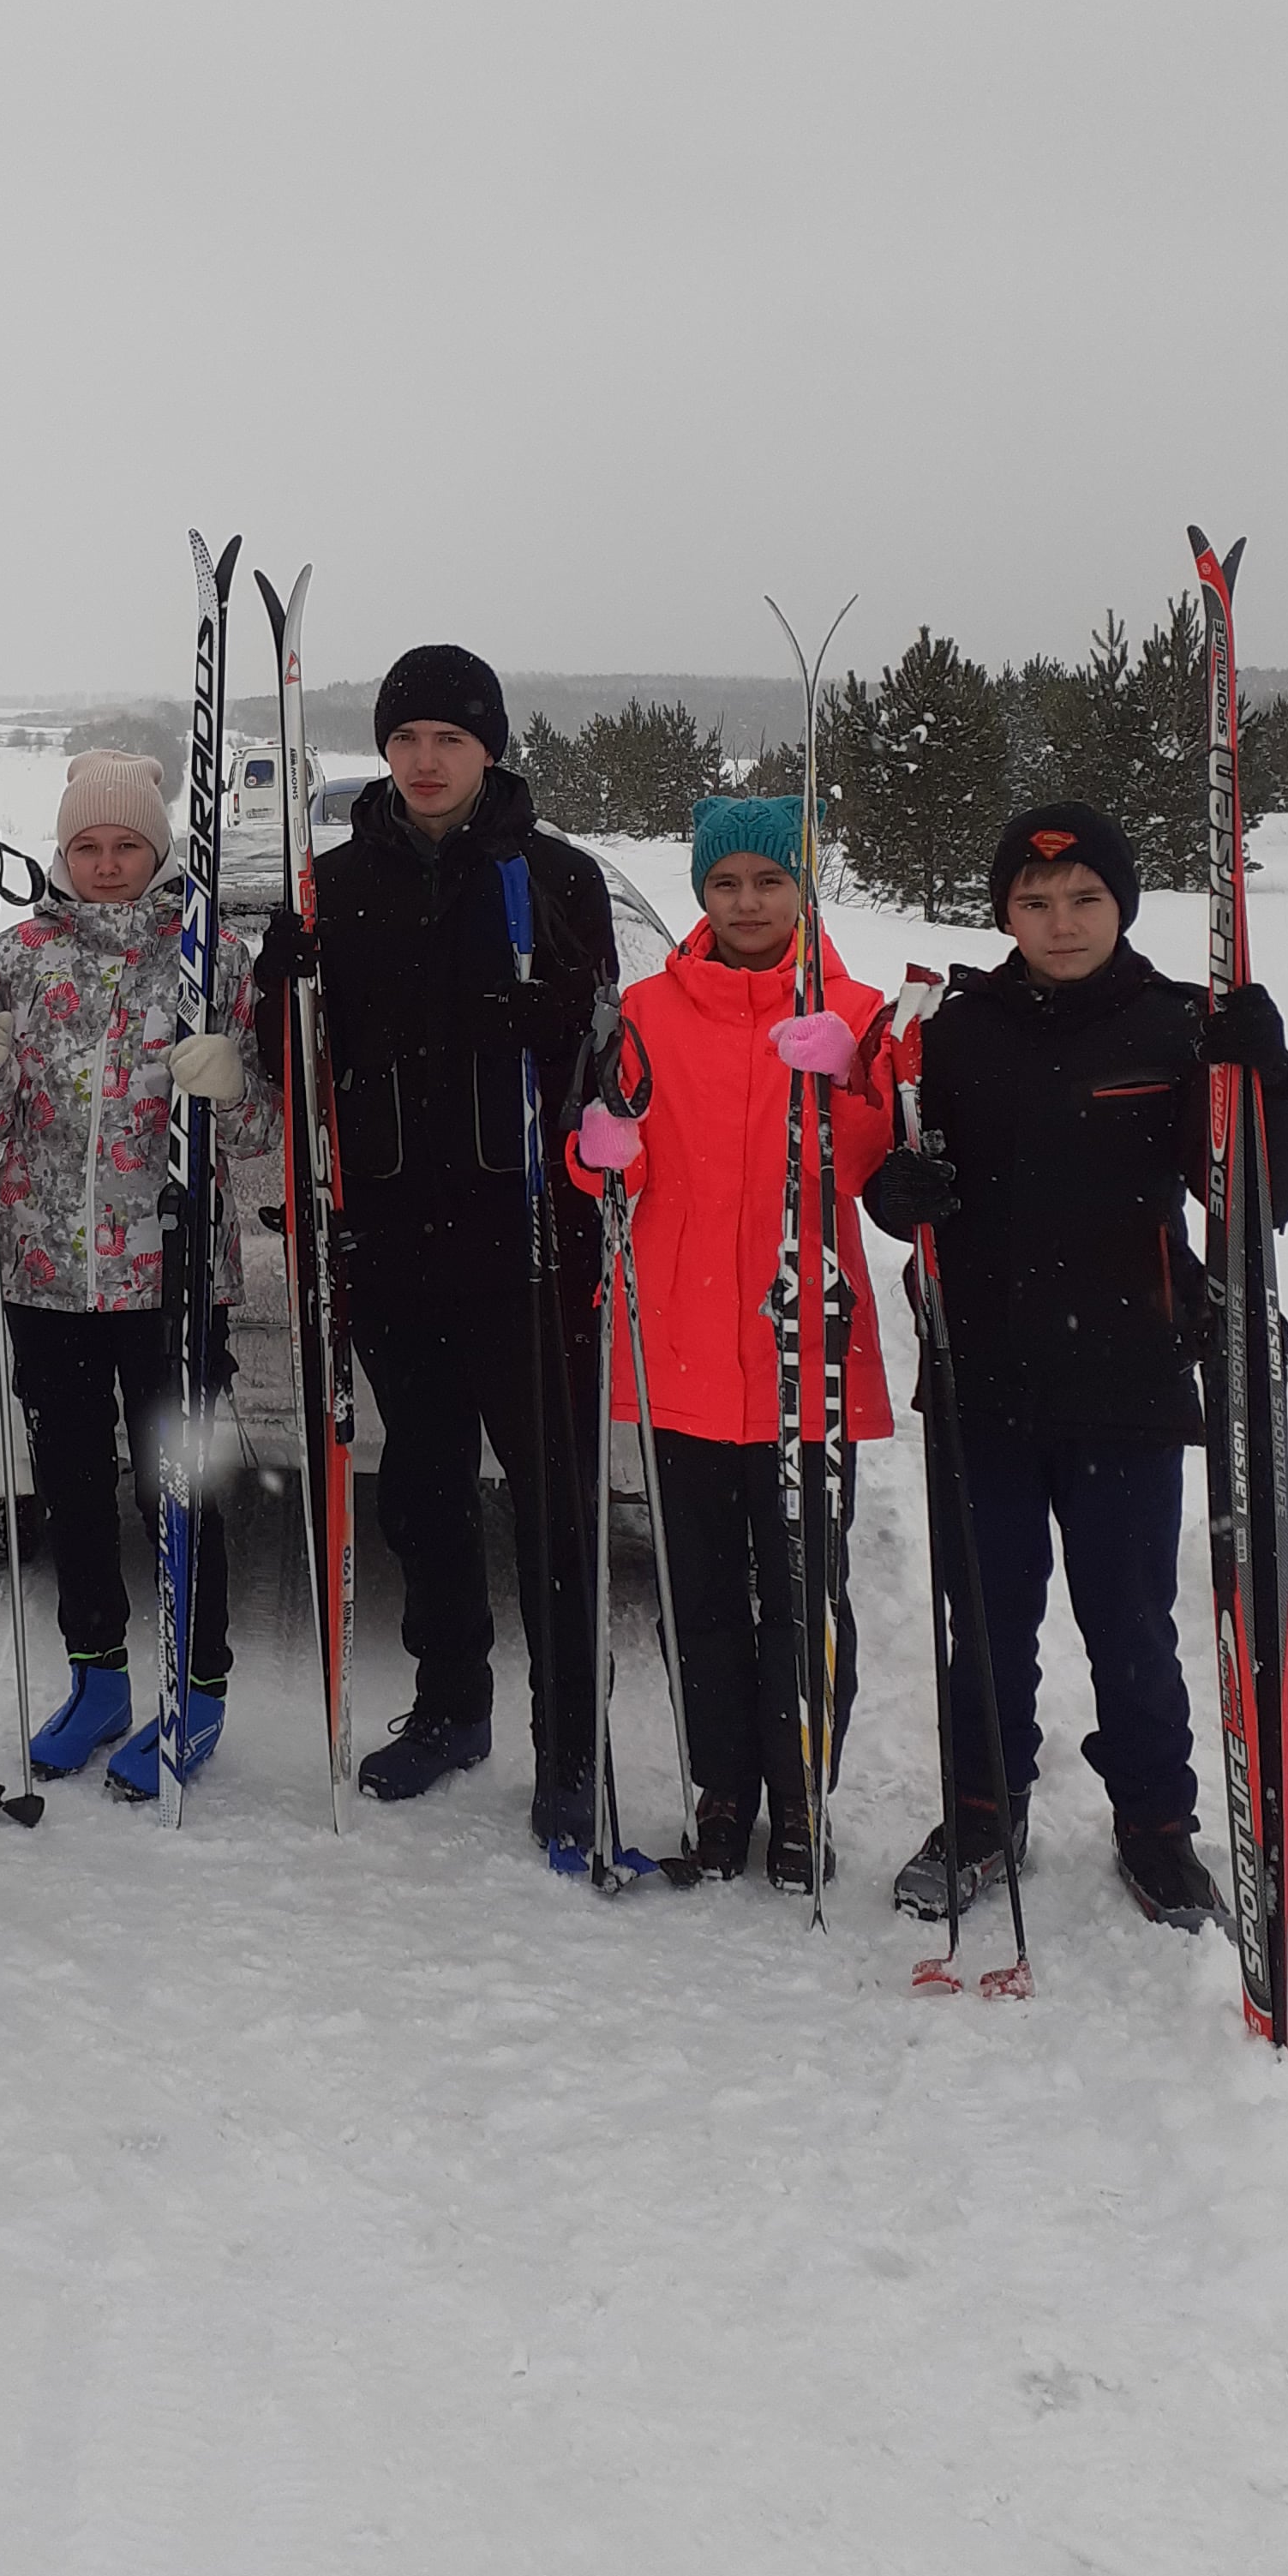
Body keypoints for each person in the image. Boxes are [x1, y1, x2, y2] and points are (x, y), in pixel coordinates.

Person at [864, 803, 1288, 1927]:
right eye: (1033, 903)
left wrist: (1273, 1079)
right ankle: (981, 1808)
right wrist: (894, 1191)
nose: (1059, 923)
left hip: (1129, 1383)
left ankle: (1157, 1825)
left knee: (1131, 1623)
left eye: (1083, 901)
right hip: (986, 1380)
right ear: (1004, 911)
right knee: (988, 1612)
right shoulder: (952, 1024)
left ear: (1122, 905)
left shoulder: (1181, 1028)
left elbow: (1260, 1201)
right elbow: (897, 1160)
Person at [285, 647, 620, 1831]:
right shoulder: (327, 886)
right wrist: (284, 994)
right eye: (406, 739)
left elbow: (611, 1067)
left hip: (527, 1242)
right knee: (423, 1492)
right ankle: (450, 1705)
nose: (426, 762)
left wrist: (563, 1018)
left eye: (452, 740)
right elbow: (298, 1075)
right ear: (383, 750)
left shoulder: (557, 878)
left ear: (491, 750)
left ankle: (569, 1745)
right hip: (390, 1237)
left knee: (551, 1505)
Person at [568, 794, 894, 1887]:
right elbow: (621, 1162)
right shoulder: (651, 1010)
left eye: (769, 880)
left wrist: (848, 1081)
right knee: (697, 1595)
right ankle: (723, 1786)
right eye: (725, 884)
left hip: (806, 1354)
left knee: (807, 1595)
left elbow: (865, 1173)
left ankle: (801, 1793)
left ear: (803, 889)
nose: (748, 902)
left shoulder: (851, 1010)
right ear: (700, 894)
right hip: (685, 1353)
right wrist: (601, 1147)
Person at [0, 748, 275, 1794]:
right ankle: (98, 1680)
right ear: (62, 852)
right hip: (45, 1273)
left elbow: (265, 1126)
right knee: (75, 1488)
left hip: (171, 1276)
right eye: (87, 845)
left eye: (127, 843)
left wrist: (236, 1080)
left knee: (181, 1483)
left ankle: (198, 1684)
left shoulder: (209, 958)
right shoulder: (19, 957)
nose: (107, 862)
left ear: (161, 848)